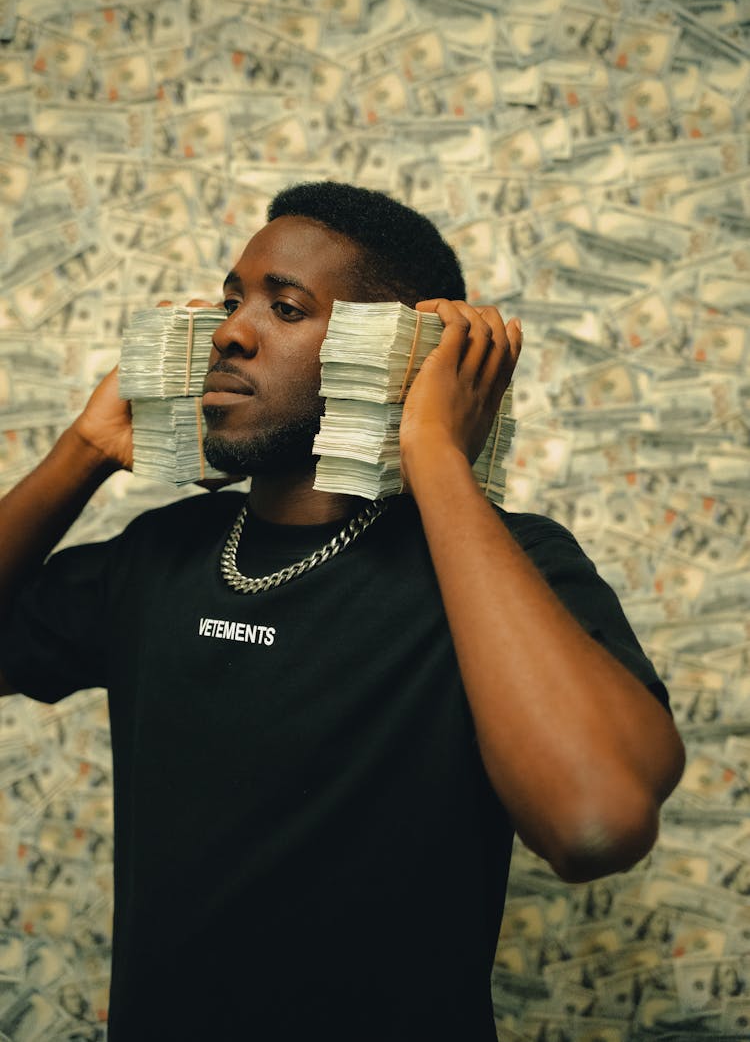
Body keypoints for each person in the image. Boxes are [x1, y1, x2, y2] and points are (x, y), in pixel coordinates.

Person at [0, 182, 683, 1040]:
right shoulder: (159, 556)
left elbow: (594, 820)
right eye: (230, 301)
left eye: (285, 307)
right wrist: (81, 453)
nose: (229, 332)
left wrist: (434, 452)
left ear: (403, 353)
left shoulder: (514, 570)